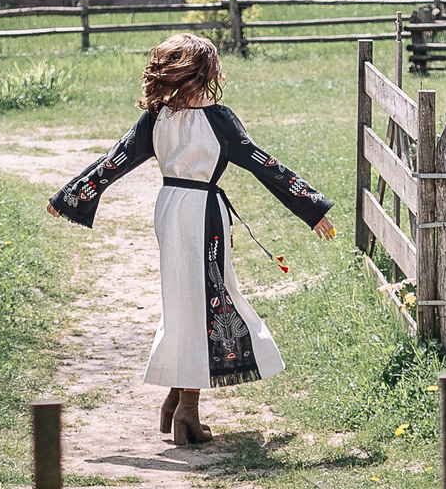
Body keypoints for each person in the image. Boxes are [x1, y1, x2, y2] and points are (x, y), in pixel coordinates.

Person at [46, 33, 335, 445]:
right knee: (206, 303)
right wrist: (314, 207)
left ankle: (174, 396)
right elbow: (265, 165)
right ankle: (188, 409)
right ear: (207, 73)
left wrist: (70, 195)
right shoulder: (220, 120)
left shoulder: (156, 118)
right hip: (202, 213)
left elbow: (112, 163)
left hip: (169, 208)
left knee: (185, 299)